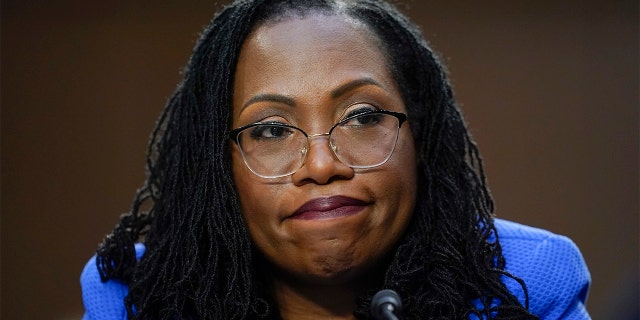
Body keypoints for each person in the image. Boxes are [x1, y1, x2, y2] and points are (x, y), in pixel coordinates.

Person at [80, 0, 591, 319]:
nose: (322, 165)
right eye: (272, 129)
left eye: (362, 116)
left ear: (422, 139)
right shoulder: (137, 300)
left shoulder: (525, 286)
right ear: (219, 168)